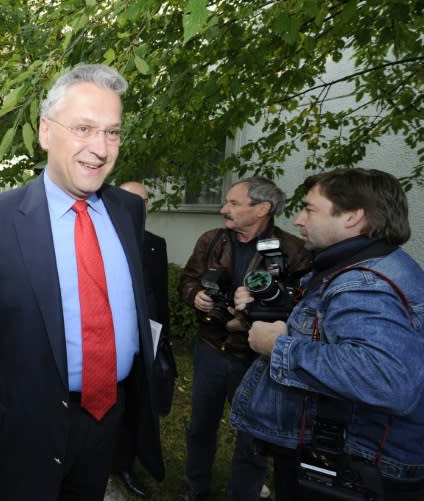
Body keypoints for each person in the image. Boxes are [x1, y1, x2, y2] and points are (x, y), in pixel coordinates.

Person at [0, 63, 164, 501]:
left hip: (107, 418)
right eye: (83, 128)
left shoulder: (127, 211)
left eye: (112, 132)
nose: (100, 148)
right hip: (20, 432)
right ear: (44, 132)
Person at [230, 168, 424, 501]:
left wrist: (277, 346)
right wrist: (266, 313)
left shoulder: (365, 284)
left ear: (352, 216)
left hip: (358, 470)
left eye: (309, 209)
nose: (298, 220)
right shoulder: (369, 265)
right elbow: (329, 329)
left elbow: (386, 379)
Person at [178, 176, 311, 501]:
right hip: (211, 349)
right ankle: (195, 490)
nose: (224, 209)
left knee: (253, 438)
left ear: (262, 208)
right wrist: (195, 294)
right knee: (200, 428)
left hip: (258, 359)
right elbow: (189, 279)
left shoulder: (293, 250)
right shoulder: (212, 240)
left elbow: (303, 309)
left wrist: (249, 318)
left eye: (233, 203)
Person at [113, 181, 176, 498]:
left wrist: (163, 340)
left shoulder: (155, 244)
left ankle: (125, 464)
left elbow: (160, 297)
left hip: (145, 340)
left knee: (136, 405)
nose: (139, 206)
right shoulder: (100, 240)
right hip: (105, 344)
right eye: (131, 200)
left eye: (144, 200)